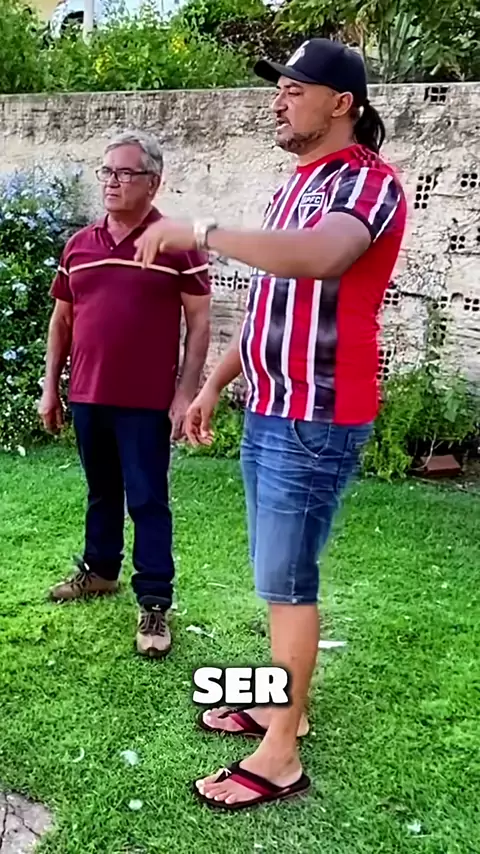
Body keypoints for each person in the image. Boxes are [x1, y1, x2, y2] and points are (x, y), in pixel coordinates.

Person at [134, 39, 407, 807]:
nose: (277, 101)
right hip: (272, 409)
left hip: (317, 414)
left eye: (294, 89)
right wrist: (213, 385)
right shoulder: (298, 186)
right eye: (278, 88)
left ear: (341, 103)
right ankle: (284, 706)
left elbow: (321, 258)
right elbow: (271, 302)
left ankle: (281, 753)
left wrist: (201, 229)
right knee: (276, 577)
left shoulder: (367, 182)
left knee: (288, 584)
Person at [39, 130, 211, 659]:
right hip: (89, 394)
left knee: (147, 499)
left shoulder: (176, 242)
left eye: (125, 173)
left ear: (153, 182)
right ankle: (100, 571)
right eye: (107, 171)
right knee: (101, 490)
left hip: (146, 401)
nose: (112, 182)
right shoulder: (80, 245)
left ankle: (154, 602)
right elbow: (61, 320)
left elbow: (199, 323)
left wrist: (185, 394)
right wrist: (50, 387)